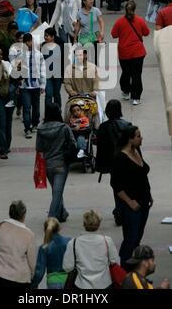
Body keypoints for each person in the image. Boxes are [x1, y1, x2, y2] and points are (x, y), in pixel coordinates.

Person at [111, 126, 153, 269]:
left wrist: (149, 194)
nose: (141, 138)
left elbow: (143, 174)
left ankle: (133, 269)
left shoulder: (137, 151)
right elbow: (116, 186)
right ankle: (123, 269)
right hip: (131, 206)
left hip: (144, 201)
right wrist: (130, 202)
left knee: (137, 238)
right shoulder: (120, 158)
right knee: (131, 238)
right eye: (138, 136)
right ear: (130, 139)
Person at [0, 200, 36, 289]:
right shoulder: (29, 235)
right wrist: (32, 275)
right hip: (19, 278)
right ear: (24, 215)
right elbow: (32, 261)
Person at [36, 103, 76, 222]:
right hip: (60, 163)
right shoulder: (64, 128)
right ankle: (51, 219)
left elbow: (39, 148)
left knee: (56, 190)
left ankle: (62, 213)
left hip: (47, 165)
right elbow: (74, 144)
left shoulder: (40, 129)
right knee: (57, 192)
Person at [63, 209, 120, 289]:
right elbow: (115, 262)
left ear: (84, 224)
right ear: (99, 224)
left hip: (82, 285)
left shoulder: (74, 243)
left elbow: (67, 267)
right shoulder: (107, 241)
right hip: (104, 284)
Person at [96, 100, 132, 224]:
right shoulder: (127, 125)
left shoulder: (103, 127)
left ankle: (119, 211)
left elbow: (100, 146)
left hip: (112, 163)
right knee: (125, 186)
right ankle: (122, 210)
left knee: (117, 187)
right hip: (126, 161)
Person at [111, 1, 150, 105]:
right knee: (137, 75)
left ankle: (126, 91)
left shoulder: (119, 22)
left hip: (124, 53)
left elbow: (114, 34)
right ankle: (136, 97)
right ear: (135, 9)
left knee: (126, 73)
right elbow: (146, 33)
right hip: (138, 52)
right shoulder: (140, 20)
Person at [14, 33, 46, 139]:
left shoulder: (39, 55)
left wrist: (43, 84)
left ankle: (35, 124)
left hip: (36, 85)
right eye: (27, 42)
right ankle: (27, 128)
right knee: (27, 108)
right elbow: (15, 70)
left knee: (36, 108)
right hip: (25, 86)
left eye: (30, 41)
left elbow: (43, 70)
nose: (29, 43)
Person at [32, 217, 71, 289]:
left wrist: (34, 284)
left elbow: (39, 272)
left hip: (53, 283)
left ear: (44, 230)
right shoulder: (69, 242)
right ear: (59, 229)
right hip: (68, 281)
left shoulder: (44, 247)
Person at [41, 27, 64, 110]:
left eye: (47, 36)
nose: (45, 37)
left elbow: (64, 61)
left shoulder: (60, 46)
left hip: (57, 75)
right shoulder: (43, 46)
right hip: (47, 75)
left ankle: (58, 111)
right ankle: (48, 113)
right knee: (49, 94)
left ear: (53, 37)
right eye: (45, 36)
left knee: (56, 94)